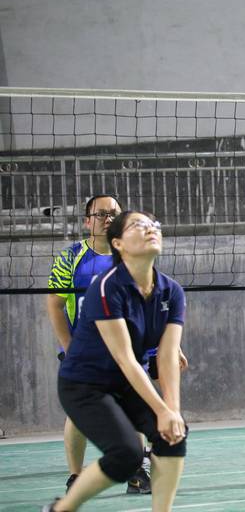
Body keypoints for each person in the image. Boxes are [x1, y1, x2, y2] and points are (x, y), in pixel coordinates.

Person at [45, 211, 187, 512]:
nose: (150, 229)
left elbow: (167, 357)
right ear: (118, 243)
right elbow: (124, 359)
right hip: (84, 385)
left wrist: (172, 411)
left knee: (173, 435)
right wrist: (162, 410)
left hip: (125, 383)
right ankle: (62, 508)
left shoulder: (171, 291)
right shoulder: (106, 287)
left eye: (154, 225)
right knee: (126, 454)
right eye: (139, 225)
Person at [46, 195, 154, 495]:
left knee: (135, 406)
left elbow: (146, 302)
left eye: (114, 214)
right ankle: (75, 476)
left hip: (126, 349)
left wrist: (162, 344)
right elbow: (54, 304)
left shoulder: (132, 255)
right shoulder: (70, 258)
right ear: (87, 221)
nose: (108, 219)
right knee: (78, 414)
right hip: (86, 352)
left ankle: (137, 473)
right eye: (101, 214)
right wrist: (69, 348)